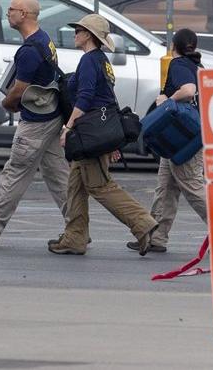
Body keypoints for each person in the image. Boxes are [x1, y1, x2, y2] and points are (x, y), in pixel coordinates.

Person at [47, 14, 159, 256]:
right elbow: (108, 98)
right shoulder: (101, 61)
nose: (75, 33)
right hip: (99, 131)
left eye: (78, 30)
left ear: (89, 35)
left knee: (100, 186)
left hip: (89, 134)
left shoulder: (89, 61)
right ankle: (75, 237)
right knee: (75, 187)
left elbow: (86, 98)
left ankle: (143, 223)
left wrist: (68, 127)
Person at [0, 0, 69, 247]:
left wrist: (7, 103)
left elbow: (20, 89)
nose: (7, 14)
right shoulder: (44, 40)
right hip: (51, 116)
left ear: (23, 14)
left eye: (11, 10)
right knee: (58, 175)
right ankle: (77, 226)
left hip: (35, 121)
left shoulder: (30, 50)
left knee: (15, 172)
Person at [127, 29, 208, 253]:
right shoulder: (198, 67)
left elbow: (188, 91)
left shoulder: (180, 64)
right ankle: (156, 238)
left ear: (175, 46)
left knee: (192, 188)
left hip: (182, 141)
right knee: (165, 189)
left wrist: (166, 99)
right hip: (180, 138)